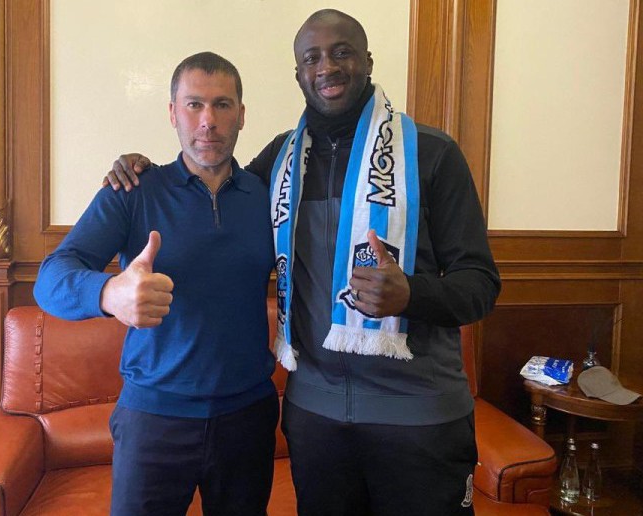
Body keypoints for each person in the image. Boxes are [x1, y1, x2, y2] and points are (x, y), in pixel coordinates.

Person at [105, 9, 501, 516]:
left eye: (342, 53)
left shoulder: (431, 153)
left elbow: (480, 283)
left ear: (368, 61)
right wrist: (141, 170)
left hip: (419, 415)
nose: (327, 67)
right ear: (298, 74)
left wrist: (412, 294)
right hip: (316, 417)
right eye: (312, 58)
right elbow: (212, 190)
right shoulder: (280, 160)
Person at [34, 52, 279, 516]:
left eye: (222, 104)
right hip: (154, 419)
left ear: (242, 114)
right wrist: (109, 294)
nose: (208, 121)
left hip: (247, 417)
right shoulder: (133, 190)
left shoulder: (267, 198)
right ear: (172, 113)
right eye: (194, 104)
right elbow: (50, 278)